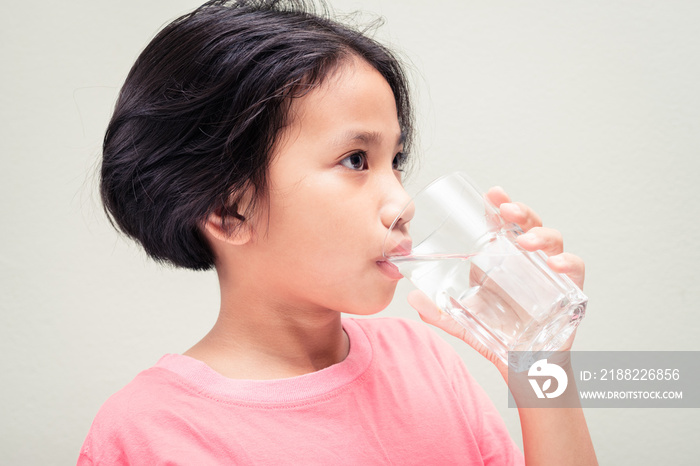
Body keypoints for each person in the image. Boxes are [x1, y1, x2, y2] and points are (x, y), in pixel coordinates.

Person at [79, 0, 597, 464]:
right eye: (355, 160)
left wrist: (537, 366)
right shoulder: (149, 434)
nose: (401, 201)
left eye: (395, 161)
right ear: (228, 210)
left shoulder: (424, 362)